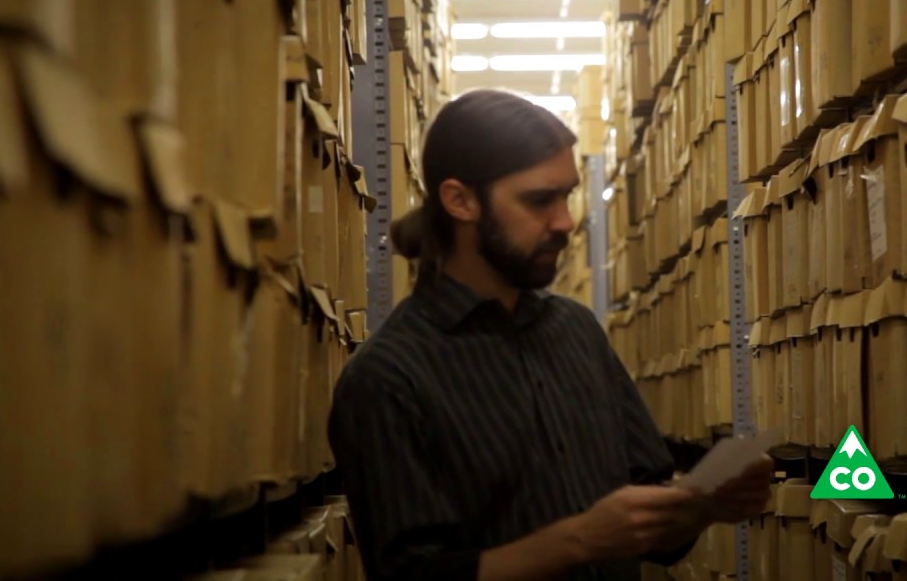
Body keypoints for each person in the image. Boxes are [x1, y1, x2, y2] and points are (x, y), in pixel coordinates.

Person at [327, 90, 773, 581]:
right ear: (460, 200)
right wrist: (578, 539)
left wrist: (704, 505)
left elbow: (650, 509)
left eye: (567, 195)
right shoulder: (387, 378)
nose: (565, 222)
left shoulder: (577, 332)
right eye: (540, 200)